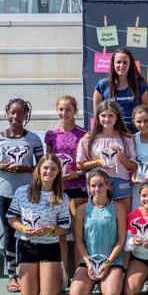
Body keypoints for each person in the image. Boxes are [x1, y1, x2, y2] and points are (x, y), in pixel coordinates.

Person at [0, 97, 44, 294]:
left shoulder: (34, 139)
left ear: (25, 115)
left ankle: (31, 271)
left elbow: (41, 167)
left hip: (28, 193)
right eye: (12, 112)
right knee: (10, 232)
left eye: (20, 113)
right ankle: (12, 275)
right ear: (7, 113)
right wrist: (0, 167)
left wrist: (27, 168)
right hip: (4, 192)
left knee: (30, 230)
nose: (15, 116)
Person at [5, 154, 70, 295]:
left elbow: (64, 228)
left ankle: (52, 278)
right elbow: (11, 218)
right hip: (26, 245)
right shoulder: (22, 192)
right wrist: (23, 229)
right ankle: (40, 279)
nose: (49, 171)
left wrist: (50, 230)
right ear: (38, 169)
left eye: (53, 169)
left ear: (58, 171)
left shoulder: (62, 197)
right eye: (45, 168)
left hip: (50, 247)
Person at [45, 95, 88, 280]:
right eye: (61, 109)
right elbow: (46, 164)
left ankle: (79, 274)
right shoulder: (51, 135)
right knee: (60, 235)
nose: (64, 113)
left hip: (77, 189)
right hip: (57, 190)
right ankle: (63, 276)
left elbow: (87, 163)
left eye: (68, 109)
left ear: (75, 112)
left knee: (78, 236)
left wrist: (77, 174)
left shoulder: (83, 134)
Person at [69, 170, 126, 295]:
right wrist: (89, 264)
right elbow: (79, 241)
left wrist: (108, 263)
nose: (97, 189)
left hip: (112, 262)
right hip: (89, 262)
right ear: (89, 187)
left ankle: (105, 283)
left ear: (107, 185)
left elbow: (121, 239)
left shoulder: (118, 208)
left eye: (100, 185)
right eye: (93, 186)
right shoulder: (82, 210)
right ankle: (93, 282)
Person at [76, 101, 137, 214]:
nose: (107, 119)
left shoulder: (125, 138)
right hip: (98, 183)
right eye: (103, 115)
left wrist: (120, 155)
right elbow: (80, 164)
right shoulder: (89, 138)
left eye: (110, 115)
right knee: (99, 217)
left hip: (121, 181)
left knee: (123, 218)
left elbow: (133, 166)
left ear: (117, 117)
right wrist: (98, 162)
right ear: (98, 117)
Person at [93, 48, 148, 132]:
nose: (122, 65)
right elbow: (97, 115)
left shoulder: (141, 85)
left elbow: (146, 113)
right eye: (118, 62)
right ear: (113, 64)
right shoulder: (102, 85)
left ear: (130, 64)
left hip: (135, 134)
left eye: (125, 62)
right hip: (111, 133)